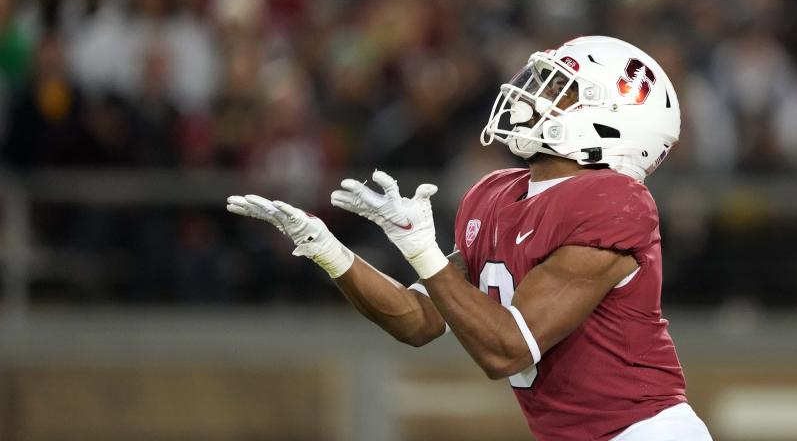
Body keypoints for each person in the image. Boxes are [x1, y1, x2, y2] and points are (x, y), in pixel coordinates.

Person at [227, 35, 713, 440]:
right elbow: (418, 320)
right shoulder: (499, 195)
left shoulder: (613, 202)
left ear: (616, 122)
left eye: (561, 89)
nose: (532, 95)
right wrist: (328, 250)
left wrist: (421, 250)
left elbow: (507, 349)